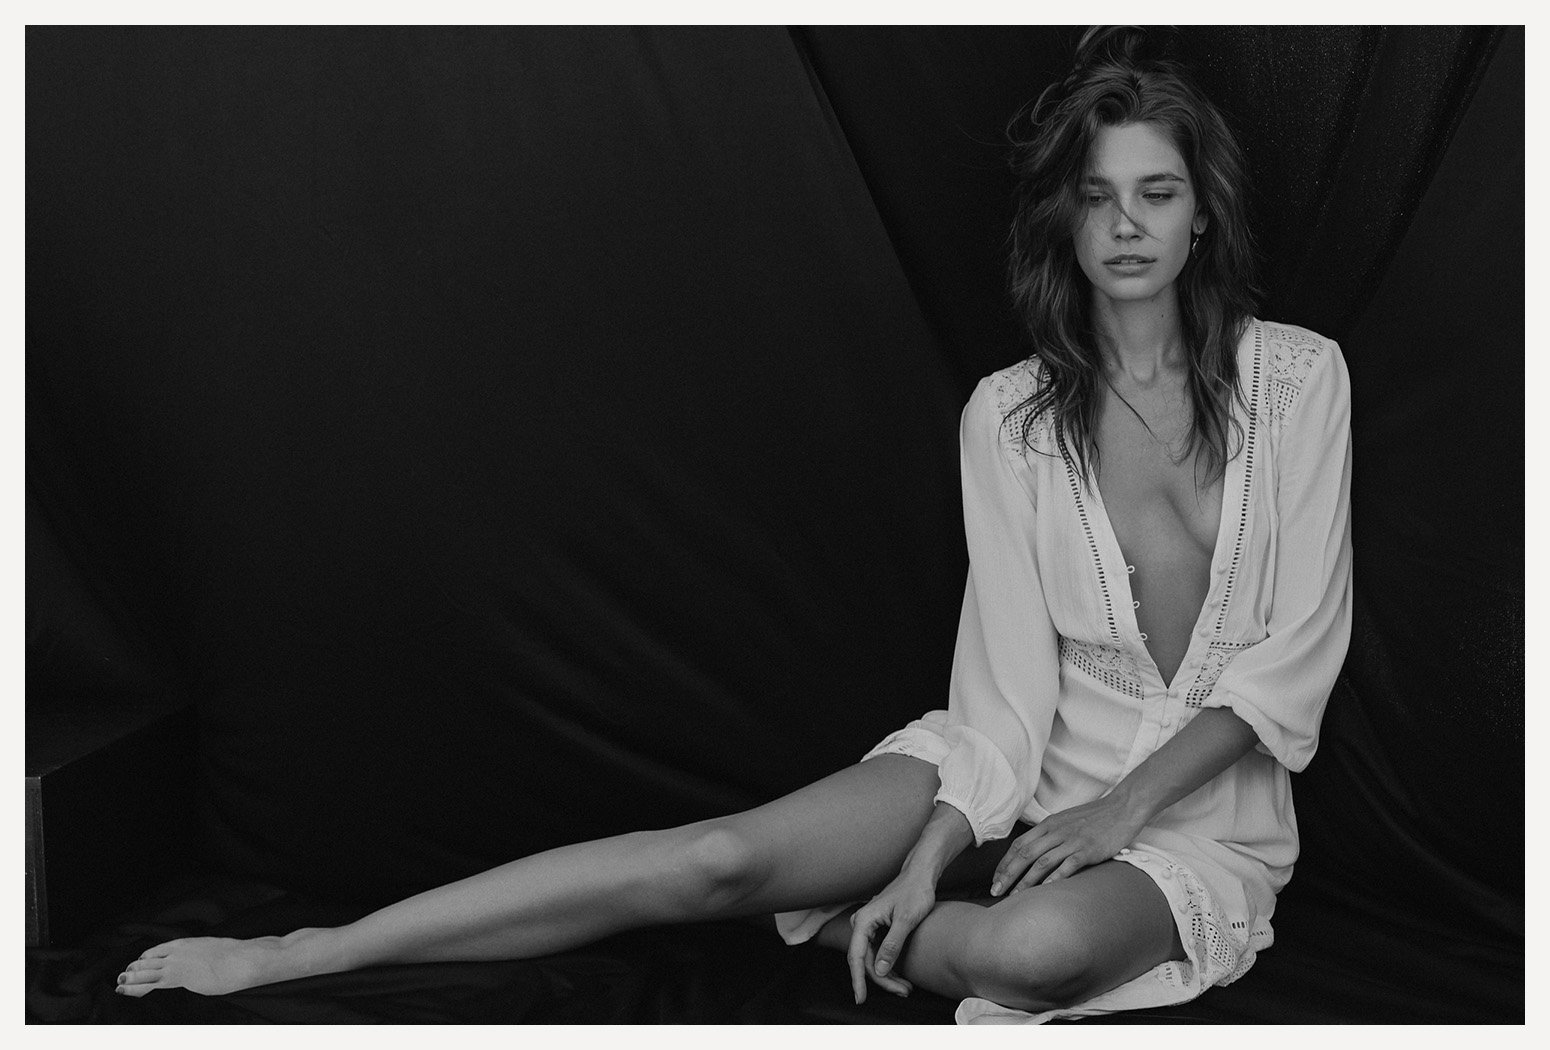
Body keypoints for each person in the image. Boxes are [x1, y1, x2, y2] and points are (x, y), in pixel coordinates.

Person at [114, 27, 1352, 1024]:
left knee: (1035, 952)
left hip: (1192, 818)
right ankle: (303, 952)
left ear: (1201, 213)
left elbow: (1288, 664)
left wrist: (1116, 814)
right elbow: (1009, 700)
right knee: (707, 860)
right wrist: (926, 852)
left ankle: (842, 916)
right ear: (1065, 221)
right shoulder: (1009, 416)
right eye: (1098, 197)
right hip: (1006, 770)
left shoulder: (1298, 382)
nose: (1127, 225)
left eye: (1156, 192)